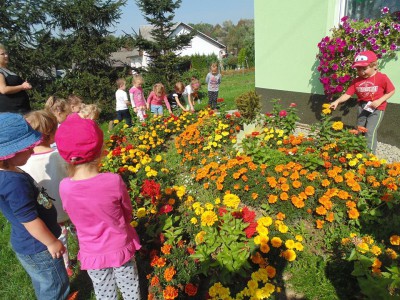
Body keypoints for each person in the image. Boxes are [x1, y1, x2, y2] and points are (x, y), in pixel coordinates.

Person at [55, 115, 141, 300]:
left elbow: (70, 212)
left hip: (92, 252)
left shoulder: (65, 186)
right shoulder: (113, 181)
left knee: (104, 292)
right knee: (130, 289)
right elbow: (127, 212)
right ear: (101, 150)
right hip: (119, 246)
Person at [0, 113, 70, 299]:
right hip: (39, 246)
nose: (32, 150)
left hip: (27, 244)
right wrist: (51, 242)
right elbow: (29, 219)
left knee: (43, 282)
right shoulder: (13, 182)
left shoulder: (8, 172)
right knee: (55, 285)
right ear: (9, 154)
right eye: (27, 147)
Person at [20, 110, 73, 277]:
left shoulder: (24, 162)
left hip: (46, 211)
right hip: (67, 205)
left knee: (58, 235)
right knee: (76, 229)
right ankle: (84, 252)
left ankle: (65, 264)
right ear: (52, 134)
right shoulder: (60, 156)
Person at [330, 50, 395, 154]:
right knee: (359, 129)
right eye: (358, 69)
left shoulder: (382, 78)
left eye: (364, 69)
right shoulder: (356, 81)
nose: (361, 72)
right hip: (363, 107)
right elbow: (347, 94)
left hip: (377, 107)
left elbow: (391, 90)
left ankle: (369, 155)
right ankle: (358, 150)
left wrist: (379, 101)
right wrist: (337, 101)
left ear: (374, 65)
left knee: (370, 131)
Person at [0, 44, 31, 113]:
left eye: (6, 53)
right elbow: (3, 90)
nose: (6, 56)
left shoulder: (7, 70)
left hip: (21, 109)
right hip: (11, 112)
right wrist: (22, 87)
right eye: (2, 54)